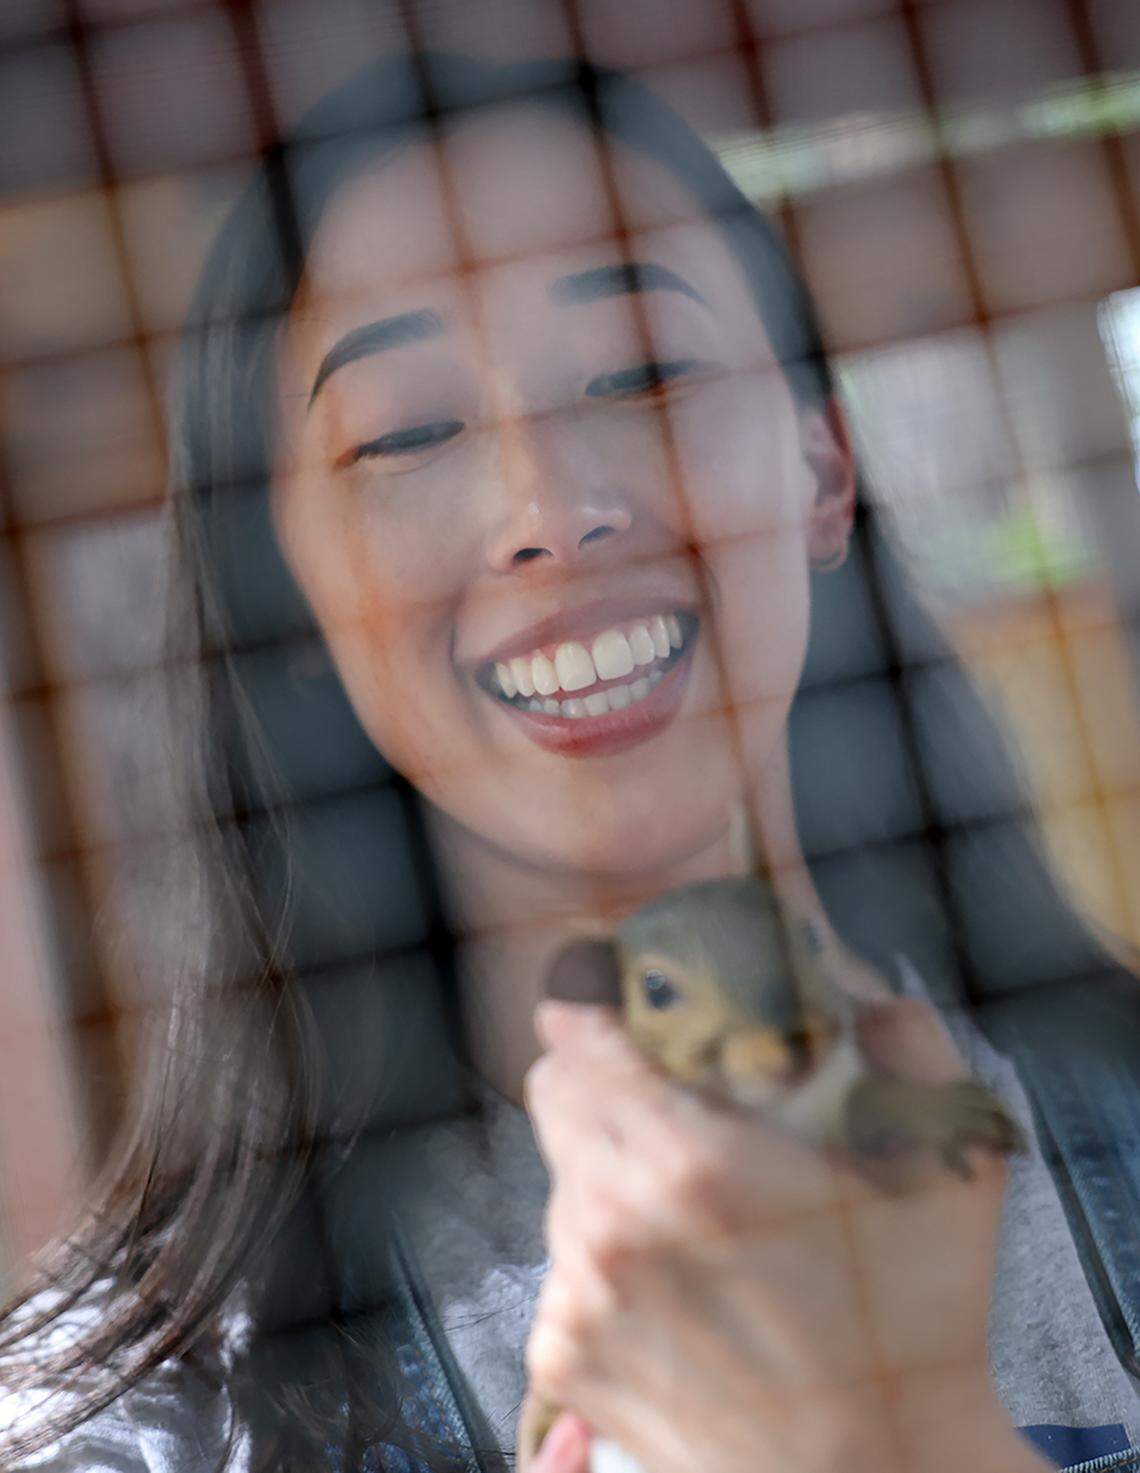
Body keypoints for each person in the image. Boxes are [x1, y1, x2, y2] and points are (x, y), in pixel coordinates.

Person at [1, 50, 1137, 1473]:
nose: (549, 506)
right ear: (282, 595)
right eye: (405, 432)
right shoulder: (114, 1433)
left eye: (648, 371)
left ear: (822, 472)